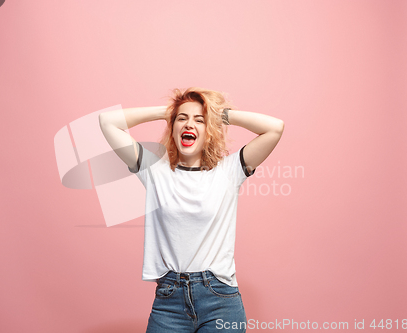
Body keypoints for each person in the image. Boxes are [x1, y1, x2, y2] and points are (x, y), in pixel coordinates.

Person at [99, 87, 284, 332]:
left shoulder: (228, 172)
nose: (189, 124)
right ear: (172, 127)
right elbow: (107, 122)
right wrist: (168, 111)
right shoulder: (154, 170)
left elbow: (275, 128)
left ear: (210, 130)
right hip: (169, 301)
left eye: (200, 120)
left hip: (220, 299)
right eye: (182, 119)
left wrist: (219, 115)